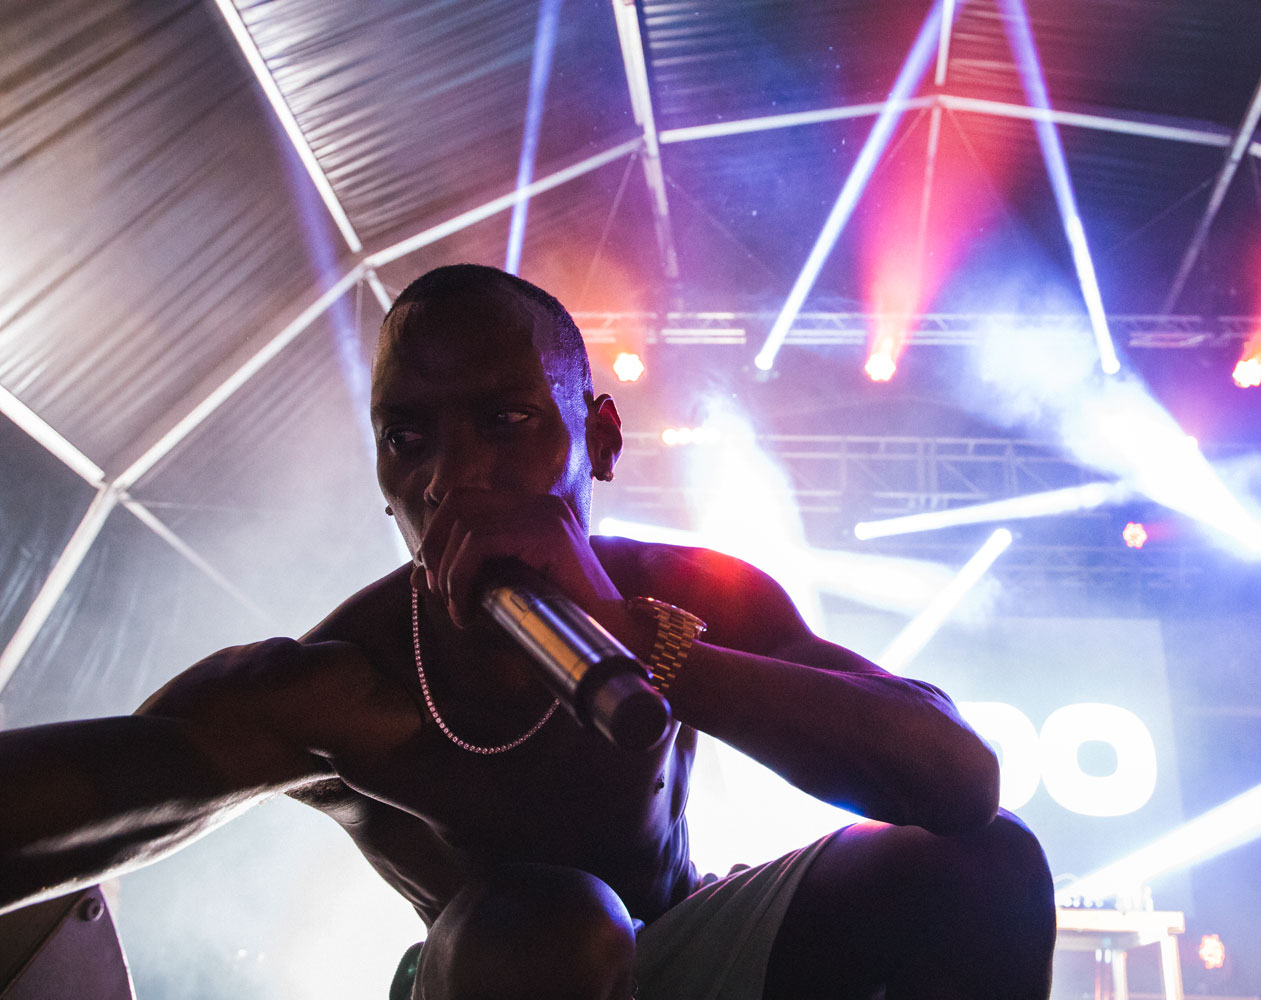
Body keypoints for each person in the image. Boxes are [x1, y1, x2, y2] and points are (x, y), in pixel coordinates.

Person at [0, 264, 1055, 999]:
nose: (453, 477)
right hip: (493, 977)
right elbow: (66, 805)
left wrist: (639, 642)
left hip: (689, 946)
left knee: (982, 866)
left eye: (506, 421)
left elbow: (958, 777)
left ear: (599, 438)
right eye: (408, 437)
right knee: (552, 925)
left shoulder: (687, 595)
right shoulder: (341, 685)